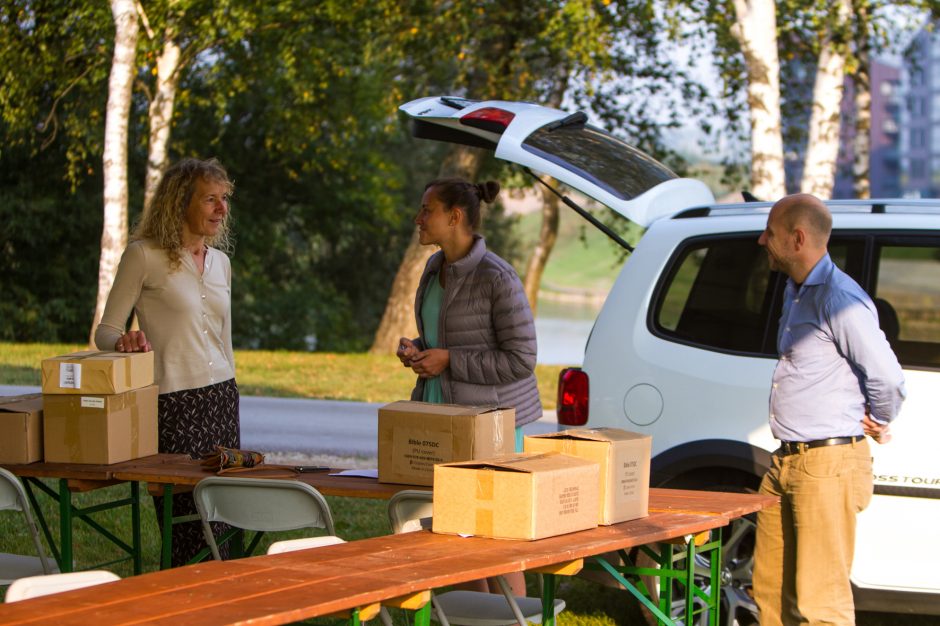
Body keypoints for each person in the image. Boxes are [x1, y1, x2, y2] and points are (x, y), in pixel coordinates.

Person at [752, 193, 906, 626]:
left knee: (821, 607)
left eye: (771, 232)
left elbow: (888, 376)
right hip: (787, 460)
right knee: (768, 596)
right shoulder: (795, 291)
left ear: (797, 239)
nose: (762, 240)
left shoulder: (839, 299)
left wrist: (880, 417)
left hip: (827, 463)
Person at [396, 176, 541, 594]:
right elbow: (445, 338)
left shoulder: (498, 278)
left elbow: (521, 360)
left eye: (427, 210)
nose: (418, 218)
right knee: (461, 534)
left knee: (497, 538)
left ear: (454, 217)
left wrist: (449, 360)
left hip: (491, 424)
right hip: (444, 413)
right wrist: (420, 350)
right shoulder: (432, 267)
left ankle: (514, 623)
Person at [95, 157, 239, 566]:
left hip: (223, 398)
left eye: (223, 199)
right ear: (179, 203)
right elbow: (104, 330)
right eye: (210, 199)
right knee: (187, 523)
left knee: (226, 516)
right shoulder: (143, 256)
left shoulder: (221, 264)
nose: (221, 209)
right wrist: (124, 340)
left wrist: (231, 385)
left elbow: (224, 340)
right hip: (174, 404)